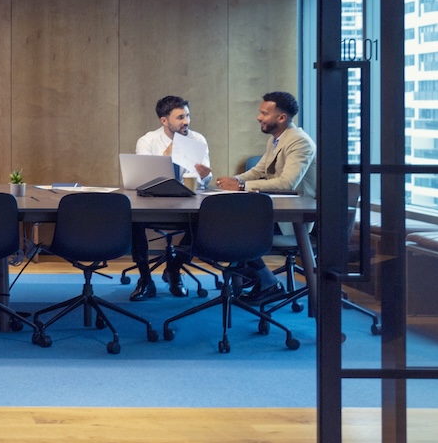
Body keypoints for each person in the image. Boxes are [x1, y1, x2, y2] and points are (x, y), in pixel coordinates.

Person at [216, 90, 317, 304]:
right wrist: (231, 181)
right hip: (277, 209)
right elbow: (258, 171)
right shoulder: (276, 140)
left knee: (237, 230)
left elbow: (287, 183)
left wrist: (241, 186)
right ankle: (251, 275)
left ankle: (265, 281)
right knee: (229, 223)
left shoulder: (299, 142)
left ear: (281, 118)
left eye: (264, 113)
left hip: (296, 217)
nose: (258, 117)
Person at [129, 95, 212, 301]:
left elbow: (204, 181)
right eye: (180, 117)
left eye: (187, 116)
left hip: (186, 203)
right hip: (151, 204)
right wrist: (170, 153)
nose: (186, 121)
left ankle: (174, 269)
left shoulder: (197, 140)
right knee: (132, 219)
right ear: (164, 121)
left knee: (205, 221)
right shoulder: (147, 141)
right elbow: (144, 179)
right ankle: (145, 280)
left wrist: (205, 175)